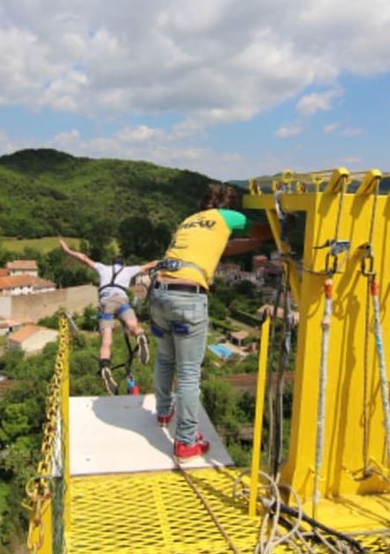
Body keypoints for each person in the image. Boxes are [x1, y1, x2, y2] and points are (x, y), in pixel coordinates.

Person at [149, 183, 255, 463]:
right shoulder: (227, 217)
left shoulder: (188, 221)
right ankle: (185, 443)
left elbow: (219, 247)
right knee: (188, 373)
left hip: (158, 292)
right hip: (187, 298)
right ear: (228, 205)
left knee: (164, 357)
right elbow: (256, 229)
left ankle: (163, 412)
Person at [58, 239, 159, 385]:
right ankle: (140, 335)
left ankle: (105, 365)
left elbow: (84, 259)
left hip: (105, 304)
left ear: (112, 263)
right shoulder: (128, 270)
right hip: (121, 301)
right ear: (123, 264)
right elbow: (151, 265)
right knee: (132, 325)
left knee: (106, 341)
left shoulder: (102, 268)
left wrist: (67, 250)